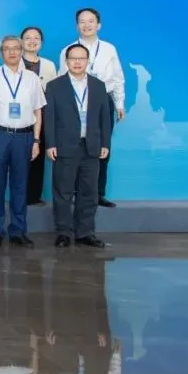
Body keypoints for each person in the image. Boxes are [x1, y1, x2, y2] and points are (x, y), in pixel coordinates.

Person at [0, 36, 46, 248]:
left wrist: (36, 140)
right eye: (7, 49)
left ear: (22, 51)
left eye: (16, 48)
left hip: (24, 136)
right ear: (1, 53)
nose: (12, 52)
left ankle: (18, 230)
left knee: (20, 185)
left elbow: (38, 111)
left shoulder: (32, 78)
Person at [45, 44, 111, 248]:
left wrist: (105, 143)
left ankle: (85, 232)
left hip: (91, 146)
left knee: (89, 192)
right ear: (66, 61)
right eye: (73, 58)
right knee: (63, 192)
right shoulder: (55, 86)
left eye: (81, 58)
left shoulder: (98, 86)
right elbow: (49, 118)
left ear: (87, 61)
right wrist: (50, 144)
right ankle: (63, 232)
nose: (77, 62)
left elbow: (105, 118)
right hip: (64, 146)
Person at [58, 7, 124, 208]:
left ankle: (98, 193)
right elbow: (61, 80)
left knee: (102, 146)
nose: (86, 25)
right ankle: (75, 192)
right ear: (77, 25)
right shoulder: (67, 50)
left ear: (98, 25)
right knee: (75, 146)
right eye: (82, 21)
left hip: (103, 100)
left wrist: (119, 103)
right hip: (75, 102)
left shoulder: (109, 49)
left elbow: (117, 77)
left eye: (90, 21)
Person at [21, 26, 57, 207]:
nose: (32, 41)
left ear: (41, 42)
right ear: (21, 41)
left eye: (36, 38)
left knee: (38, 155)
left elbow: (54, 92)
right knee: (20, 156)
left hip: (42, 114)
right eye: (28, 37)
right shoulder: (14, 61)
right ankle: (20, 194)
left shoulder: (49, 65)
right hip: (19, 115)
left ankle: (34, 195)